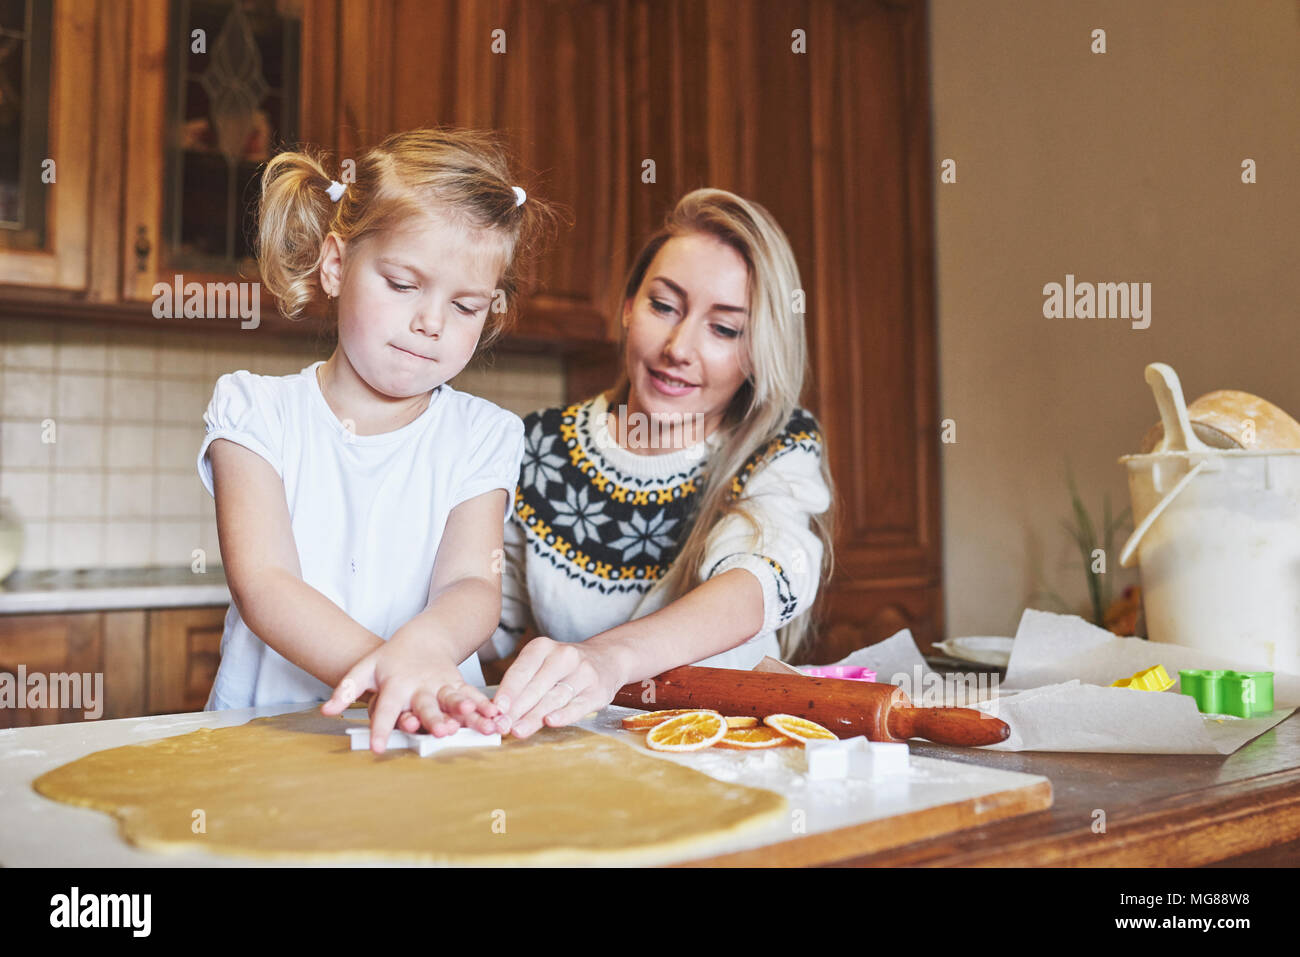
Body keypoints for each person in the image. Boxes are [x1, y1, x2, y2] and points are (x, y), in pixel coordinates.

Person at [197, 129, 551, 752]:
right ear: (337, 265)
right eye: (403, 284)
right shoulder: (257, 411)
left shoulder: (483, 435)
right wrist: (393, 671)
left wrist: (426, 652)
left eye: (466, 306)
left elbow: (471, 583)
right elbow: (266, 583)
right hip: (271, 735)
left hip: (429, 730)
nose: (431, 322)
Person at [481, 188, 837, 738]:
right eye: (664, 306)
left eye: (724, 329)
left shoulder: (778, 443)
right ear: (628, 306)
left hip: (728, 753)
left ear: (757, 350)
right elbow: (488, 621)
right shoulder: (538, 446)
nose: (678, 347)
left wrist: (608, 659)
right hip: (584, 756)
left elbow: (758, 580)